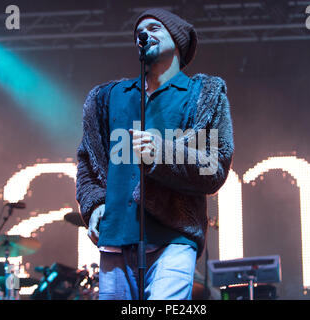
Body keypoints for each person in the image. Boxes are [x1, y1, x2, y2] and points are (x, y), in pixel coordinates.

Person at [76, 8, 234, 300]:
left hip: (173, 237)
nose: (143, 34)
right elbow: (88, 161)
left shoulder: (202, 95)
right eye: (138, 32)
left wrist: (161, 153)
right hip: (115, 238)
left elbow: (215, 165)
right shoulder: (108, 97)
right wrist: (95, 204)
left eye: (154, 28)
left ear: (177, 39)